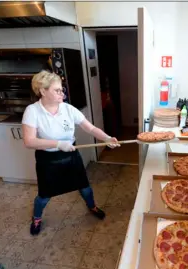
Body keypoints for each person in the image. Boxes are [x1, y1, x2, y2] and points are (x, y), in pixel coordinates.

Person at [22, 70, 120, 235]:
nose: (62, 93)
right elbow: (29, 141)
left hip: (70, 156)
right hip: (48, 160)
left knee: (84, 188)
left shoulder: (67, 109)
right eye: (57, 90)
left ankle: (92, 206)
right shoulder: (32, 111)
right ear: (43, 91)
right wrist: (58, 144)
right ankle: (37, 218)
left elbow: (89, 127)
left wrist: (107, 138)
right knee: (44, 196)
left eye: (62, 89)